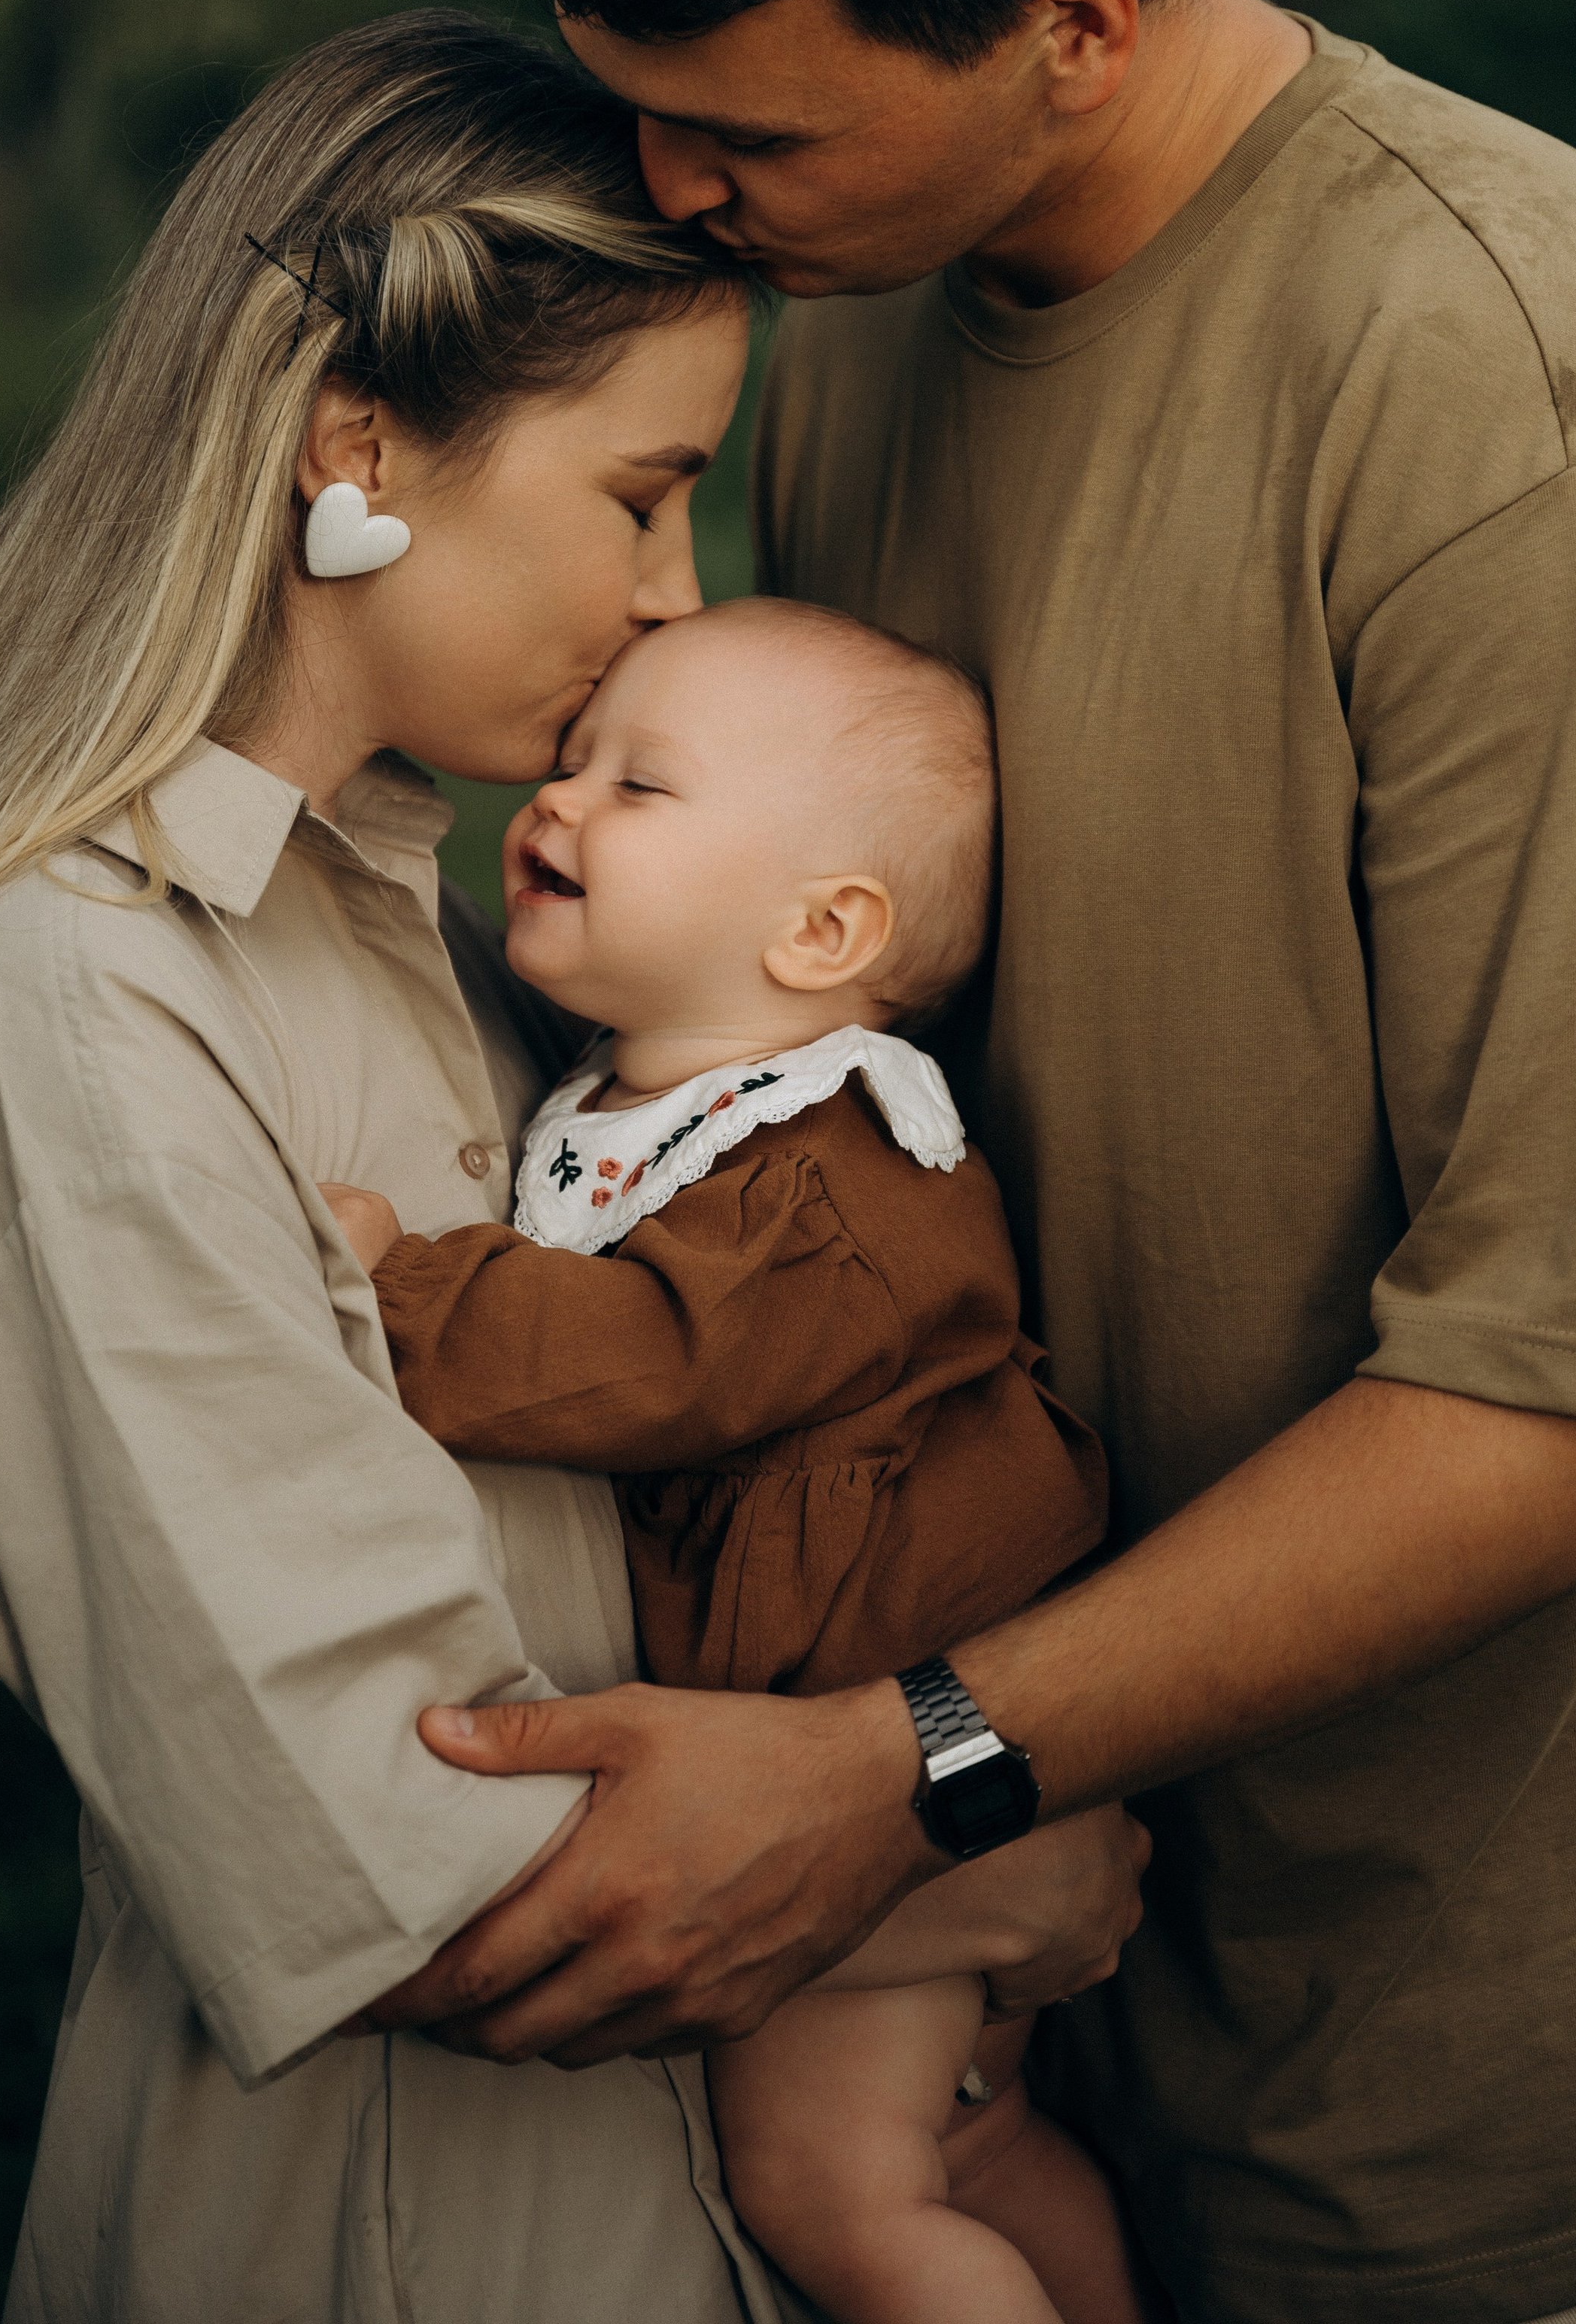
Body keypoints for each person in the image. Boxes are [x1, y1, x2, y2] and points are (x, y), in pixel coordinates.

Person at [368, 0, 1576, 2324]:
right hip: (982, 2037)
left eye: (744, 128)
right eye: (641, 105)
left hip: (1456, 2115)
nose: (675, 192)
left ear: (1078, 14)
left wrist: (910, 1759)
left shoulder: (1515, 390)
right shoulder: (850, 305)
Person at [0, 6, 1147, 2323]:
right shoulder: (78, 1013)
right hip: (391, 2242)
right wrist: (970, 1838)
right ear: (357, 450)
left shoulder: (423, 933)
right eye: (641, 492)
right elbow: (408, 1857)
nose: (679, 592)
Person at [321, 596, 1144, 2324]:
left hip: (878, 1735)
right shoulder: (656, 1100)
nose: (557, 800)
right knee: (969, 2156)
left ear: (818, 928)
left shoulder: (828, 1170)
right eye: (576, 755)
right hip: (886, 1724)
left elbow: (652, 1364)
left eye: (642, 784)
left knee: (837, 2191)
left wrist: (400, 1286)